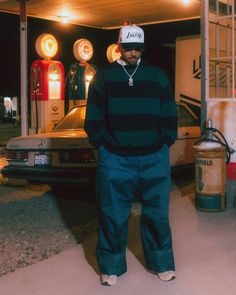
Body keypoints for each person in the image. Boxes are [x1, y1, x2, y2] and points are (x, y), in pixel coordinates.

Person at [85, 25, 177, 286]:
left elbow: (169, 113)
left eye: (138, 47)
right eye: (128, 47)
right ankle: (111, 266)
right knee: (112, 213)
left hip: (153, 157)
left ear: (143, 47)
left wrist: (164, 142)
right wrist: (102, 144)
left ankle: (162, 262)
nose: (133, 52)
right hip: (115, 157)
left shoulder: (158, 75)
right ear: (119, 45)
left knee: (157, 213)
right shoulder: (103, 77)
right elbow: (93, 117)